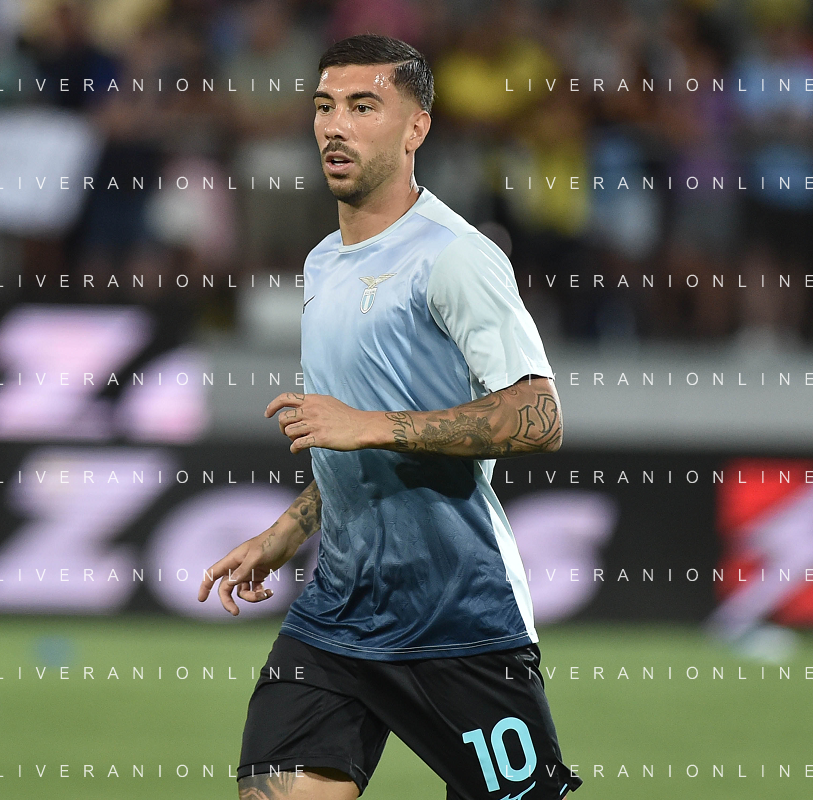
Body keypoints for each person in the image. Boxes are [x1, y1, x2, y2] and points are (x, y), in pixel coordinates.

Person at [198, 34, 582, 800]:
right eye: (324, 107)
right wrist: (287, 532)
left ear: (416, 128)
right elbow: (353, 445)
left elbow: (538, 414)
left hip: (456, 616)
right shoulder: (321, 264)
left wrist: (371, 425)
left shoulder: (454, 256)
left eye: (362, 106)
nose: (335, 126)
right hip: (337, 613)